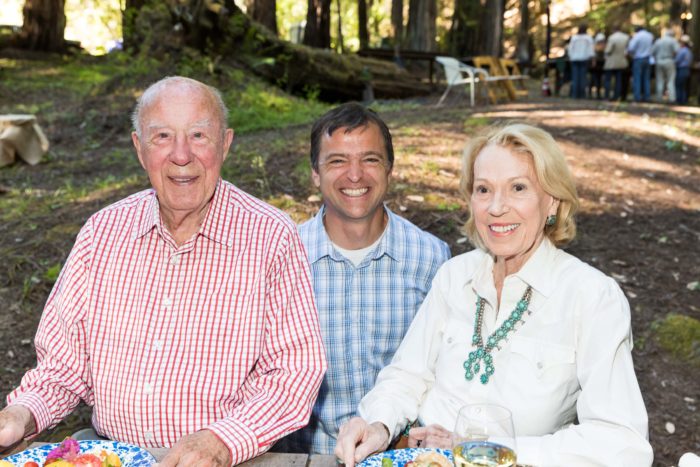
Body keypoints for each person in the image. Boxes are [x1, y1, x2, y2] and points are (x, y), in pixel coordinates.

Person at [0, 76, 327, 466]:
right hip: (109, 457)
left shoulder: (271, 237)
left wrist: (222, 441)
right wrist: (20, 414)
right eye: (162, 137)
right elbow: (62, 367)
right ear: (140, 149)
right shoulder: (102, 233)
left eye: (199, 136)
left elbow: (294, 372)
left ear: (225, 144)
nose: (181, 155)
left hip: (225, 460)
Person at [335, 123, 653, 467]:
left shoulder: (591, 297)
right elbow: (407, 375)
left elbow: (623, 442)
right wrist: (379, 424)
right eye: (484, 190)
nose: (496, 207)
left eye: (518, 188)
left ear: (553, 202)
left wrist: (487, 449)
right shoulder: (454, 276)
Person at [275, 103, 451, 454]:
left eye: (370, 159)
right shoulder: (284, 258)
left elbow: (441, 370)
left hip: (401, 454)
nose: (354, 175)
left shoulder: (432, 258)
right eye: (337, 161)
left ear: (390, 169)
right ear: (315, 173)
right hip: (307, 457)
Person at [651, 29, 680, 102]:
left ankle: (659, 98)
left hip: (659, 61)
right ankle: (672, 98)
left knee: (659, 80)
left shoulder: (658, 41)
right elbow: (677, 51)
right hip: (669, 60)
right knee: (671, 80)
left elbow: (652, 51)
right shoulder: (673, 41)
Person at [567, 24, 594, 99]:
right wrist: (592, 58)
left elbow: (570, 49)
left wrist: (570, 57)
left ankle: (575, 94)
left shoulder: (574, 38)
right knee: (582, 78)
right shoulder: (588, 38)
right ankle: (582, 95)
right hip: (584, 59)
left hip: (575, 59)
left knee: (575, 77)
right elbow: (590, 50)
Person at [628, 25, 654, 102]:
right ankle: (647, 96)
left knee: (637, 78)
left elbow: (631, 48)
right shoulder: (650, 35)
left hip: (638, 59)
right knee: (646, 79)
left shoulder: (637, 36)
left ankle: (637, 96)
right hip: (647, 59)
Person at [604, 26, 631, 100]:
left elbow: (608, 50)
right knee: (618, 80)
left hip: (611, 61)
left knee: (608, 80)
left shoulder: (612, 38)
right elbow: (628, 49)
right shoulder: (626, 37)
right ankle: (617, 95)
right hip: (621, 61)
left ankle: (607, 95)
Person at [675, 35, 694, 105]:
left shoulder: (682, 51)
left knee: (679, 85)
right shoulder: (689, 51)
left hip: (682, 69)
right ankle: (684, 100)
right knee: (683, 86)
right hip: (687, 70)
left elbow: (677, 60)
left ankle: (679, 100)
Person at [589, 32, 606, 99]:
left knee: (599, 80)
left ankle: (598, 94)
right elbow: (593, 56)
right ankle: (590, 93)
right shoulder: (594, 47)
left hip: (601, 65)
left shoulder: (604, 47)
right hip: (595, 66)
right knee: (593, 79)